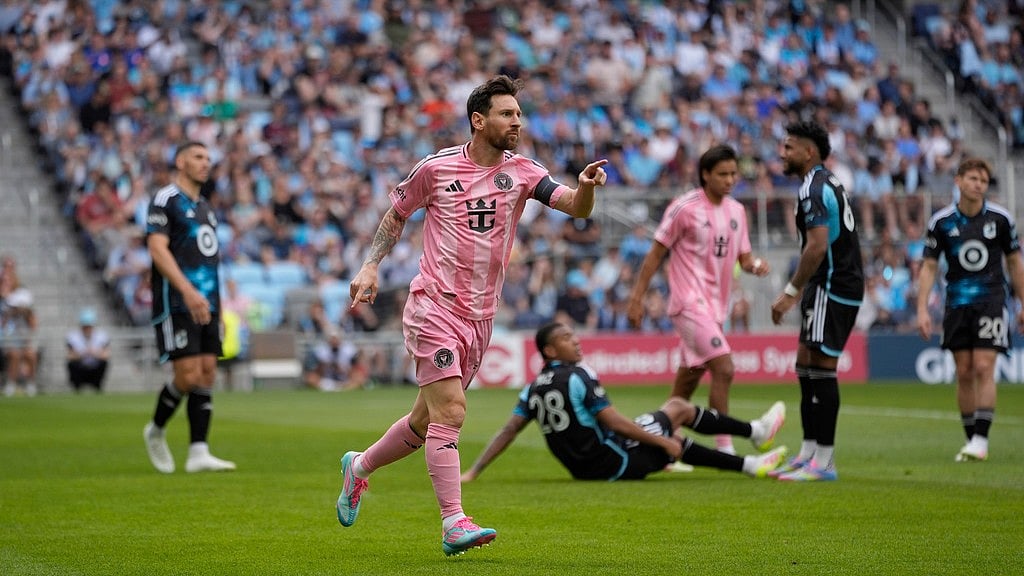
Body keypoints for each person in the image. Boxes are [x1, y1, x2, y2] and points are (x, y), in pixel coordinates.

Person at [336, 75, 608, 556]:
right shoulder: (436, 168)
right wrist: (370, 264)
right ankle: (453, 522)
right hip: (433, 306)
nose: (517, 122)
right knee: (452, 413)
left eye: (519, 114)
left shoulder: (524, 172)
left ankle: (359, 467)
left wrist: (585, 188)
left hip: (480, 318)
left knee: (424, 423)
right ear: (478, 120)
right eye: (507, 114)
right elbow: (396, 215)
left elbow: (574, 207)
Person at [460, 322, 788, 482]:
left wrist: (474, 471)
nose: (576, 341)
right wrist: (662, 442)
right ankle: (755, 433)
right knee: (678, 410)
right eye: (566, 338)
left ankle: (750, 462)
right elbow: (614, 423)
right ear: (549, 350)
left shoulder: (532, 388)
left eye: (574, 335)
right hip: (614, 461)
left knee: (670, 432)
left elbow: (509, 430)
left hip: (583, 470)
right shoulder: (578, 376)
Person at [626, 144, 771, 455]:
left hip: (716, 306)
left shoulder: (737, 211)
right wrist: (637, 299)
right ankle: (725, 447)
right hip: (688, 303)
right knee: (724, 367)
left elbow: (744, 259)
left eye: (733, 174)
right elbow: (655, 254)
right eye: (722, 174)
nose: (730, 180)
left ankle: (663, 444)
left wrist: (756, 266)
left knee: (687, 382)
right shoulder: (684, 208)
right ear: (705, 175)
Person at [770, 121, 864, 482]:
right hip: (827, 284)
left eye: (789, 147)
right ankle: (808, 454)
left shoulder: (813, 188)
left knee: (822, 368)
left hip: (832, 283)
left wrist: (790, 292)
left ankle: (824, 462)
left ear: (809, 152)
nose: (782, 153)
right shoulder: (825, 181)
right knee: (805, 365)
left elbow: (817, 245)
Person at [915, 157, 1024, 462]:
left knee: (983, 367)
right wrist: (922, 309)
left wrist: (1022, 302)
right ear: (959, 181)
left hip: (991, 300)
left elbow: (1014, 262)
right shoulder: (941, 222)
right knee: (963, 372)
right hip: (956, 303)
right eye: (973, 179)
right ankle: (971, 439)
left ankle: (981, 439)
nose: (979, 185)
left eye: (984, 181)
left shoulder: (1001, 220)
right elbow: (929, 267)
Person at [142, 141, 235, 474]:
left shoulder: (206, 207)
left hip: (208, 302)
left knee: (207, 371)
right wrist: (188, 291)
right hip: (178, 301)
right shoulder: (165, 200)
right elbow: (157, 249)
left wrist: (217, 306)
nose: (205, 163)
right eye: (198, 157)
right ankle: (155, 429)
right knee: (188, 374)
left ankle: (199, 451)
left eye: (208, 158)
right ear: (180, 161)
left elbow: (209, 260)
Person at [65, 307, 110, 392]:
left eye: (89, 326)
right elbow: (69, 356)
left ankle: (97, 385)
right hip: (80, 367)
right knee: (72, 364)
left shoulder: (101, 336)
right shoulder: (73, 336)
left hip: (95, 368)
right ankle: (77, 386)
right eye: (85, 326)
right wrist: (83, 353)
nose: (87, 329)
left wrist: (94, 353)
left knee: (104, 363)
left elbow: (106, 355)